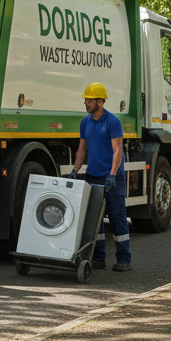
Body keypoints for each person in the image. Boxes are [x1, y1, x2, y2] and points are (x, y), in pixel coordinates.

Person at [70, 82, 131, 271]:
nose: (86, 103)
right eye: (85, 99)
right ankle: (98, 258)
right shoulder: (85, 122)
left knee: (116, 216)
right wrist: (75, 170)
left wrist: (112, 174)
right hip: (92, 176)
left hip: (112, 178)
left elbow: (117, 151)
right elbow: (82, 149)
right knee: (94, 219)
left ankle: (124, 259)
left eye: (89, 100)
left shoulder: (112, 122)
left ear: (100, 101)